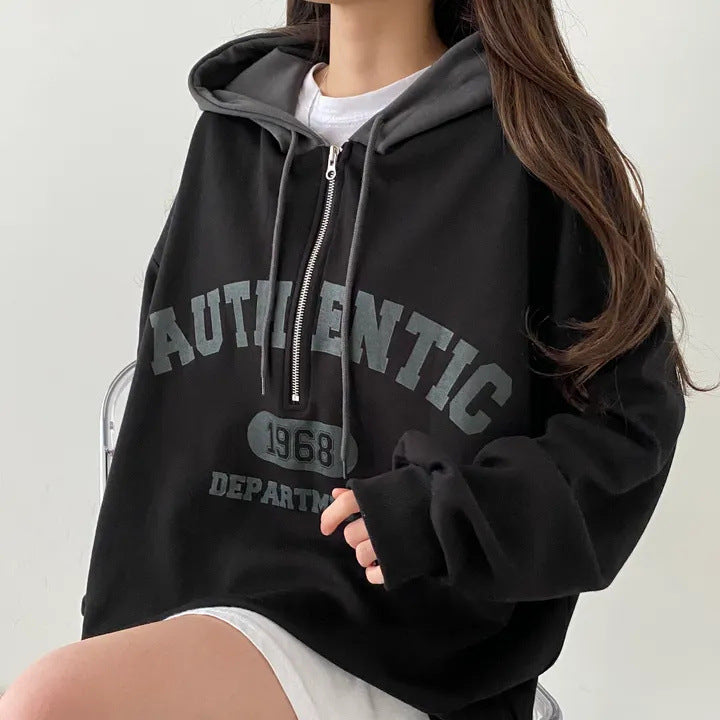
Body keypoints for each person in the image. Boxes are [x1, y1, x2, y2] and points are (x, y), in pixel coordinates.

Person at [1, 1, 709, 719]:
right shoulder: (231, 130)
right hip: (198, 620)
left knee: (48, 703)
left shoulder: (534, 146)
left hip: (404, 654)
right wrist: (117, 619)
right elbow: (167, 401)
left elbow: (628, 428)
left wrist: (446, 516)